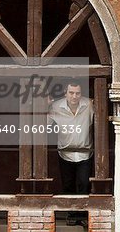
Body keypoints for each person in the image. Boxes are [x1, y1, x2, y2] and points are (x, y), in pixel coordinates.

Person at [48, 80, 94, 227]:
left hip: (85, 152)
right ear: (65, 94)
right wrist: (44, 107)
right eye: (71, 93)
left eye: (77, 93)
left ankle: (82, 215)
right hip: (65, 153)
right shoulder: (56, 107)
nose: (74, 96)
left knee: (84, 184)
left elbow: (100, 120)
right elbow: (45, 126)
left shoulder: (89, 105)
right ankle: (72, 214)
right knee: (68, 185)